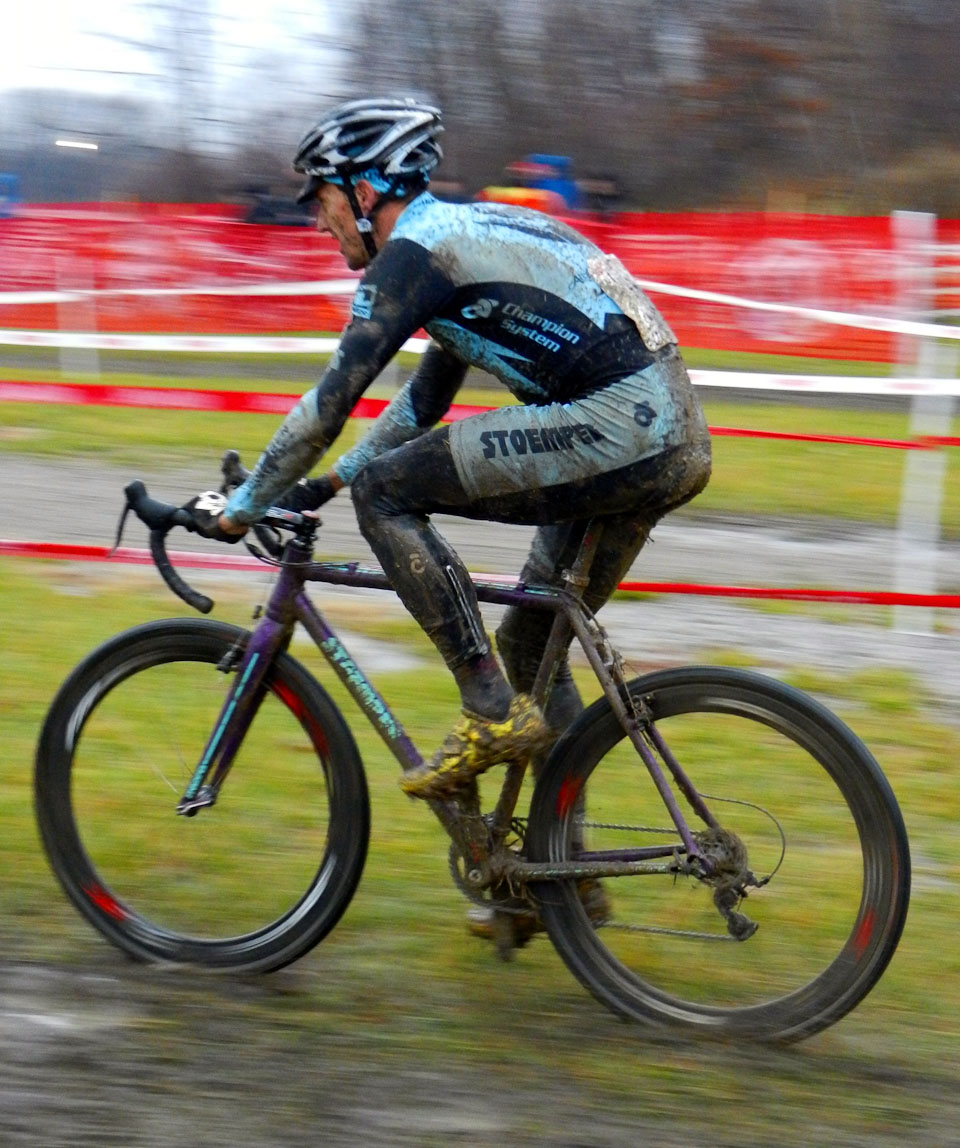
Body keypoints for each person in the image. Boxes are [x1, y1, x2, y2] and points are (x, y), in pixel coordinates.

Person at [199, 96, 712, 807]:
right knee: (530, 648)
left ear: (365, 190)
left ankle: (488, 708)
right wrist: (323, 485)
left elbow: (327, 406)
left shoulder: (415, 256)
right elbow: (421, 404)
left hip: (620, 426)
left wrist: (241, 508)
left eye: (322, 199)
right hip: (670, 438)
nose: (319, 221)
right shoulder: (465, 235)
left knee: (388, 493)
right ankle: (562, 878)